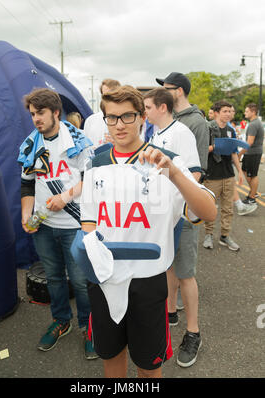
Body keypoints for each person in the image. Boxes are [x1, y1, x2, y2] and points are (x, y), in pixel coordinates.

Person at [79, 85, 217, 378]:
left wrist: (176, 174)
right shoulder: (96, 162)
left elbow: (208, 212)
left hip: (148, 281)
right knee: (112, 359)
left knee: (149, 366)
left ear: (143, 116)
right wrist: (89, 245)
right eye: (111, 118)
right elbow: (89, 217)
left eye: (127, 116)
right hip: (105, 280)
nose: (119, 125)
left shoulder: (165, 160)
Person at [19, 88, 98, 359]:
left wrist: (65, 196)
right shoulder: (31, 143)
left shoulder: (78, 140)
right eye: (32, 114)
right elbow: (26, 185)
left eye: (40, 113)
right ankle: (61, 320)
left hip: (75, 223)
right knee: (54, 277)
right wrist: (25, 215)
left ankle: (89, 326)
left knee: (79, 279)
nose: (36, 119)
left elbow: (91, 180)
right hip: (44, 225)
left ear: (55, 112)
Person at [155, 72, 209, 367]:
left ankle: (193, 332)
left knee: (185, 270)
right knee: (169, 264)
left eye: (165, 88)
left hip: (185, 210)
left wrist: (179, 201)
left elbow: (197, 173)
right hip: (166, 211)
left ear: (177, 92)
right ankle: (170, 312)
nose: (160, 93)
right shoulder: (161, 126)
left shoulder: (195, 124)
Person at [203, 100, 244, 251]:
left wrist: (239, 171)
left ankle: (225, 236)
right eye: (225, 111)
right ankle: (208, 234)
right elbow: (201, 149)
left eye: (230, 111)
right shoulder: (207, 128)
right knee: (210, 207)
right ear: (217, 112)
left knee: (228, 208)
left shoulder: (231, 130)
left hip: (228, 174)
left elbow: (233, 152)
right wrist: (215, 147)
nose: (228, 114)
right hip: (212, 175)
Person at [228, 105, 257, 216]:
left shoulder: (231, 127)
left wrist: (239, 156)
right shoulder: (223, 127)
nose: (231, 113)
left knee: (231, 181)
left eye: (232, 111)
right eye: (227, 111)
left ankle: (250, 198)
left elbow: (234, 149)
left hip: (232, 158)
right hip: (220, 161)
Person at [238, 103, 264, 204]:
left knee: (252, 175)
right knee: (245, 171)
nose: (245, 113)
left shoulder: (254, 124)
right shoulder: (255, 122)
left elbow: (249, 142)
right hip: (251, 153)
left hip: (253, 153)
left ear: (253, 112)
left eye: (247, 111)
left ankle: (252, 197)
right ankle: (253, 191)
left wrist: (240, 153)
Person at [83, 78, 120, 148]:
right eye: (104, 95)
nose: (107, 98)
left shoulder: (126, 121)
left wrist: (118, 144)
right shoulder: (91, 120)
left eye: (111, 94)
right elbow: (86, 147)